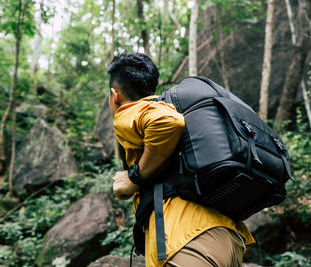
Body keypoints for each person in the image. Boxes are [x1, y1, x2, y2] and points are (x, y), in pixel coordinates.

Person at [107, 52, 255, 267]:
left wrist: (134, 176)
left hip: (188, 242)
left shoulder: (131, 111)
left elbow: (167, 122)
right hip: (227, 239)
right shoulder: (165, 111)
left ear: (115, 95)